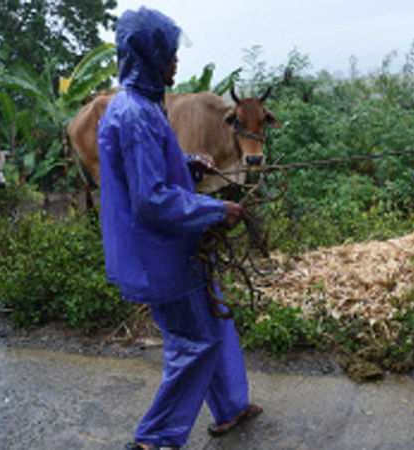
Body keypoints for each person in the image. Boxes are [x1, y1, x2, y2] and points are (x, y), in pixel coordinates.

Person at [97, 7, 262, 450]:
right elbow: (150, 200)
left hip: (177, 246)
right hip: (160, 253)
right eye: (168, 55)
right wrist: (212, 210)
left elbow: (150, 172)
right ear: (148, 57)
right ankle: (155, 438)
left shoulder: (144, 107)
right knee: (195, 341)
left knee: (216, 321)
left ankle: (231, 407)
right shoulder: (134, 115)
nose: (175, 63)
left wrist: (186, 162)